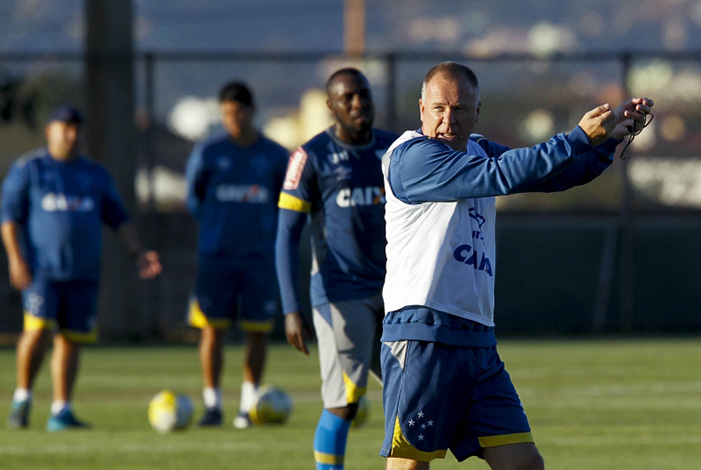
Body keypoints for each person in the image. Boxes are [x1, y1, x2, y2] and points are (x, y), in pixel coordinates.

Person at [379, 61, 654, 470]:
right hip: (425, 334)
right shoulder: (411, 158)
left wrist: (605, 142)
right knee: (410, 465)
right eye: (438, 108)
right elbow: (505, 174)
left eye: (459, 109)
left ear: (478, 112)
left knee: (525, 464)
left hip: (478, 341)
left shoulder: (478, 149)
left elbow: (550, 176)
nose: (447, 120)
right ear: (421, 109)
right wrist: (576, 137)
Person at [2, 104, 162, 431]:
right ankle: (23, 397)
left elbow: (118, 218)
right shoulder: (30, 168)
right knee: (37, 331)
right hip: (42, 271)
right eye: (64, 127)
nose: (71, 134)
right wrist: (16, 258)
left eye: (77, 128)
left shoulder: (95, 174)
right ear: (49, 131)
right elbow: (9, 218)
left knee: (72, 339)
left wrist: (138, 253)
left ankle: (61, 410)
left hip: (83, 273)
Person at [275, 68, 398, 470]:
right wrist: (292, 309)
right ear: (331, 106)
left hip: (397, 292)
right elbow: (286, 237)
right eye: (347, 98)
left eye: (363, 94)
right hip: (340, 295)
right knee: (345, 402)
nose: (358, 103)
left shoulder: (394, 150)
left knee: (413, 395)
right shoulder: (310, 157)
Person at [185, 81, 289, 429]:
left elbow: (286, 202)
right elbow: (194, 198)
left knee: (256, 331)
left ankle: (248, 405)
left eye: (239, 112)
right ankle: (212, 405)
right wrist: (217, 228)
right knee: (212, 330)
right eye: (227, 113)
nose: (233, 119)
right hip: (216, 258)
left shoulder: (274, 155)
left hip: (259, 258)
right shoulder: (209, 154)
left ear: (251, 111)